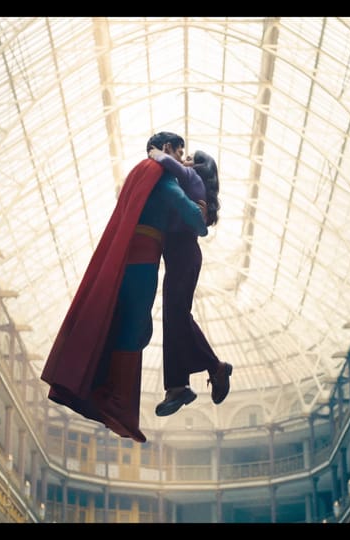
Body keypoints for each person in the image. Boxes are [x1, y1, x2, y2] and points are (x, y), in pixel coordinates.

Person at [40, 132, 207, 443]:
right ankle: (117, 401)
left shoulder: (138, 174)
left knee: (130, 327)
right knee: (135, 329)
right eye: (180, 151)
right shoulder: (160, 175)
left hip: (130, 258)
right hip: (143, 262)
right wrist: (200, 209)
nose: (183, 159)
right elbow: (196, 221)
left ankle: (114, 396)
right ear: (166, 149)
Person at [147, 146, 232, 416]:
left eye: (191, 159)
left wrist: (157, 154)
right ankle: (176, 385)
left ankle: (213, 367)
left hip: (184, 254)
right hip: (178, 257)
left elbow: (175, 169)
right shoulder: (186, 184)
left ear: (200, 167)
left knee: (177, 315)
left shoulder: (189, 179)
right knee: (173, 317)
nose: (184, 159)